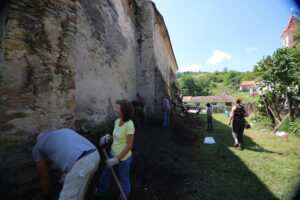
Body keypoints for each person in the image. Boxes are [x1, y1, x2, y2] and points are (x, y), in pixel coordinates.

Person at [32, 128, 100, 200]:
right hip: (94, 155)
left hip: (81, 162)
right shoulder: (64, 131)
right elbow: (70, 151)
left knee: (66, 197)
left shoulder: (37, 147)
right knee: (79, 195)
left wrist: (45, 193)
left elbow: (44, 175)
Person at [95, 99, 135, 200]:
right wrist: (108, 137)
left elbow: (129, 145)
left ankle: (124, 196)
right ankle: (99, 193)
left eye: (117, 108)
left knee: (123, 180)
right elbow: (117, 137)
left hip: (124, 159)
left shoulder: (129, 125)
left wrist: (116, 159)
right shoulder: (117, 121)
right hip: (112, 154)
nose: (116, 109)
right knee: (105, 176)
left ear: (123, 110)